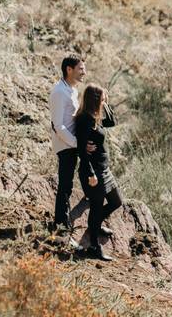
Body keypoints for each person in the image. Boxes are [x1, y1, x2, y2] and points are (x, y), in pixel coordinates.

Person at [74, 83, 122, 261]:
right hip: (94, 172)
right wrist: (90, 174)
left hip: (104, 170)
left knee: (116, 201)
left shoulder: (96, 116)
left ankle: (94, 226)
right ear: (94, 100)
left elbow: (112, 122)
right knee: (95, 208)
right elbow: (81, 151)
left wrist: (105, 103)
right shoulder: (84, 120)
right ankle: (94, 246)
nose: (104, 101)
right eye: (102, 99)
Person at [48, 55, 90, 246]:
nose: (84, 72)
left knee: (73, 184)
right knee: (65, 187)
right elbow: (58, 125)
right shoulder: (59, 92)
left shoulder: (72, 90)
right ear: (69, 69)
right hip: (65, 145)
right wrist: (77, 144)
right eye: (81, 68)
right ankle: (61, 230)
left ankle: (88, 223)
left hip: (73, 144)